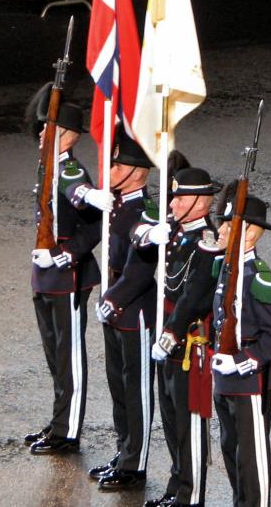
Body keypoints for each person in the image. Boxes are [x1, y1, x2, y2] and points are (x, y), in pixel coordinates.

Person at [67, 126, 158, 489]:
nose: (111, 172)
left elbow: (141, 270)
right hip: (115, 308)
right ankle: (124, 451)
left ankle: (135, 465)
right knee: (118, 386)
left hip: (135, 311)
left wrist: (113, 299)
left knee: (136, 392)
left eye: (118, 166)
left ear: (138, 171)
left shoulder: (146, 210)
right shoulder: (118, 204)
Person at [139, 166, 223, 507]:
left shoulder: (207, 242)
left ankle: (192, 496)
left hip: (189, 342)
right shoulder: (177, 233)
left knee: (189, 422)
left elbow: (195, 296)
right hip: (168, 337)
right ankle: (177, 486)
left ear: (202, 203)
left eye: (181, 198)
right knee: (171, 418)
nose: (173, 204)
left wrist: (171, 332)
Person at [25, 98, 102, 455]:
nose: (42, 132)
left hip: (68, 273)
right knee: (54, 354)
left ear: (68, 136)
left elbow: (88, 211)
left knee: (68, 355)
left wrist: (67, 254)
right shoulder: (47, 167)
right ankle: (59, 420)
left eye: (50, 127)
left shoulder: (70, 169)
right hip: (45, 273)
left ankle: (67, 431)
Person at [210, 192, 271, 507]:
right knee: (231, 448)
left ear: (249, 234)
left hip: (250, 379)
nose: (220, 231)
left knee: (252, 456)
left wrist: (244, 362)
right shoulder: (226, 270)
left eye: (228, 227)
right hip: (225, 375)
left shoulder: (260, 277)